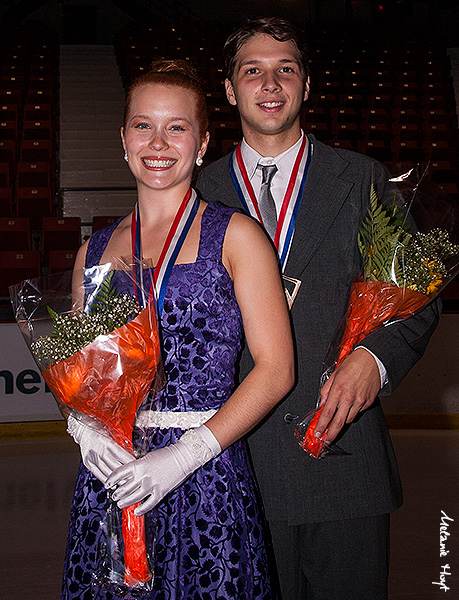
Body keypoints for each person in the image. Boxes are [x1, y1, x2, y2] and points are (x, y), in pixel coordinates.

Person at [195, 17, 441, 600]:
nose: (271, 83)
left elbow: (417, 293)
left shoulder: (361, 179)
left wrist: (375, 360)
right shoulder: (199, 192)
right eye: (252, 71)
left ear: (307, 84)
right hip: (236, 468)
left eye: (287, 69)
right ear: (230, 90)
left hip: (344, 461)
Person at [61, 59, 294, 600]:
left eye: (177, 126)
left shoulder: (238, 238)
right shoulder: (92, 254)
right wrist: (84, 430)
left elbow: (278, 369)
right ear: (123, 139)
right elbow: (81, 376)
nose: (158, 142)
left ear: (203, 140)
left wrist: (184, 456)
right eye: (143, 125)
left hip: (204, 476)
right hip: (113, 481)